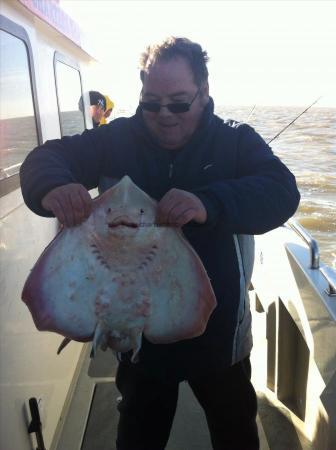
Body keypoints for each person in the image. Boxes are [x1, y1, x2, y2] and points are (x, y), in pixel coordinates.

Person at [20, 37, 300, 450]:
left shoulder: (234, 142)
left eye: (179, 103)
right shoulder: (115, 140)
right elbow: (44, 160)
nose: (163, 115)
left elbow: (281, 192)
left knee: (235, 428)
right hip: (137, 333)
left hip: (220, 335)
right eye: (151, 103)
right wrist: (53, 186)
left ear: (204, 94)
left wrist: (210, 203)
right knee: (138, 432)